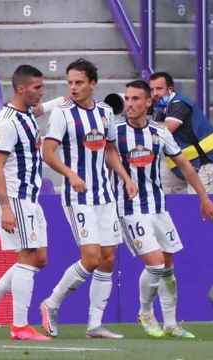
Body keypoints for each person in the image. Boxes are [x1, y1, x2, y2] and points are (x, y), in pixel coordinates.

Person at [38, 59, 137, 339]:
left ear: (93, 83)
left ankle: (94, 325)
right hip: (78, 196)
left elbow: (109, 151)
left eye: (79, 82)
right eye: (70, 82)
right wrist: (70, 174)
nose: (73, 88)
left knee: (108, 259)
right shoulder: (63, 113)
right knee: (91, 258)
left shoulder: (105, 112)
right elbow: (48, 152)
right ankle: (51, 303)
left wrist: (126, 178)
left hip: (105, 195)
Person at [113, 80, 213, 338]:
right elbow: (106, 154)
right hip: (129, 208)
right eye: (127, 99)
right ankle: (145, 312)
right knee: (156, 263)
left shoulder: (160, 133)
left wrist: (203, 198)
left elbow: (184, 164)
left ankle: (171, 323)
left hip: (158, 207)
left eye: (136, 99)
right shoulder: (114, 132)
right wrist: (125, 180)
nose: (130, 104)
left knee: (168, 266)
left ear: (149, 102)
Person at [0, 65, 50, 341]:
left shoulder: (27, 113)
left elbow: (41, 109)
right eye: (37, 88)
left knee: (39, 258)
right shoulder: (6, 122)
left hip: (31, 197)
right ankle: (19, 326)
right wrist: (5, 207)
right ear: (20, 89)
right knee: (27, 258)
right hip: (15, 198)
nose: (42, 92)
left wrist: (63, 102)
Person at [149, 72, 213, 194]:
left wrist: (142, 123)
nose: (155, 93)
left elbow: (166, 130)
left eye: (159, 89)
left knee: (200, 205)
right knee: (158, 192)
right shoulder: (161, 107)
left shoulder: (179, 103)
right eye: (151, 89)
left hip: (209, 162)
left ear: (170, 89)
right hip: (185, 165)